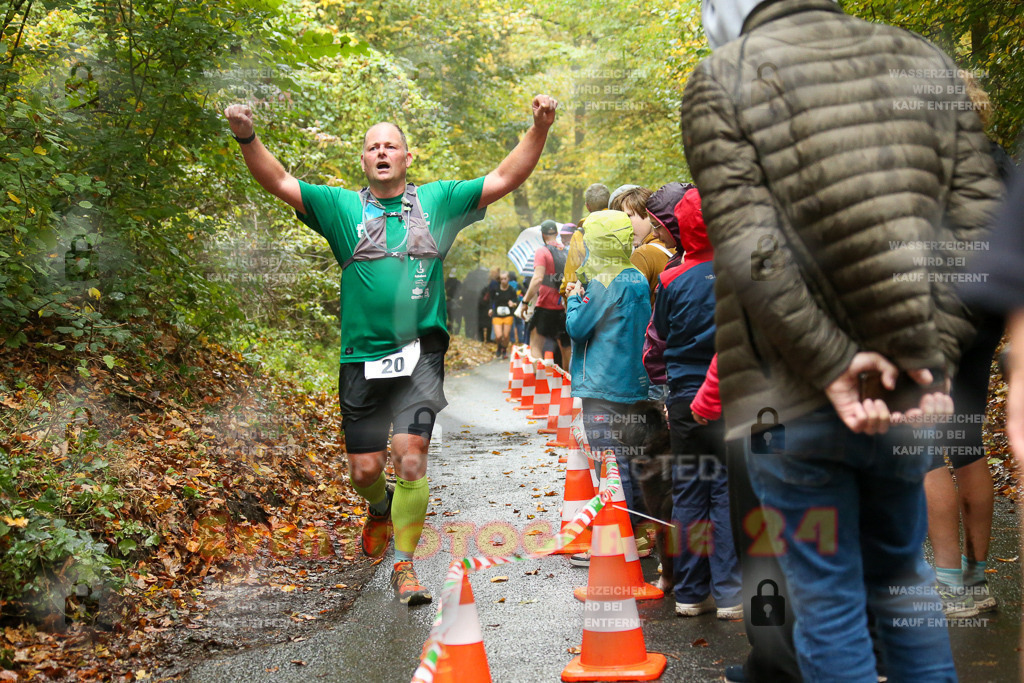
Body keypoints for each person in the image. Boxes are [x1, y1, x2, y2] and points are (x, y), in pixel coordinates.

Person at [682, 0, 1002, 680]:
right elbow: (980, 227)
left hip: (788, 394)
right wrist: (930, 356)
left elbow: (747, 241)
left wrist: (831, 362)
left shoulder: (724, 76)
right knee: (904, 581)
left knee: (826, 599)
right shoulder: (923, 60)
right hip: (905, 388)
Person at [223, 94, 558, 605]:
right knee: (364, 470)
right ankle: (378, 508)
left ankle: (405, 565)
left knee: (411, 458)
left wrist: (539, 127)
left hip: (420, 354)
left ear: (406, 157)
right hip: (361, 357)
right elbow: (280, 182)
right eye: (372, 147)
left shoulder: (439, 203)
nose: (382, 152)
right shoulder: (341, 208)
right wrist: (247, 136)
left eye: (391, 145)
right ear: (364, 160)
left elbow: (504, 177)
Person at [651, 186, 741, 619]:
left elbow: (661, 335)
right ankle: (729, 592)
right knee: (726, 490)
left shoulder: (670, 279)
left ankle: (689, 592)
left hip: (684, 397)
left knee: (688, 491)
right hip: (732, 397)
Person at [564, 210, 652, 564]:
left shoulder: (601, 281)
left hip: (602, 388)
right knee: (631, 462)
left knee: (611, 464)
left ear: (598, 242)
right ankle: (640, 537)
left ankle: (617, 543)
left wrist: (573, 297)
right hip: (633, 383)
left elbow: (578, 328)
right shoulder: (636, 277)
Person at [522, 220, 571, 366]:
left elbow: (537, 279)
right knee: (565, 347)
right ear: (556, 233)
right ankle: (567, 384)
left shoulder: (542, 251)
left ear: (543, 235)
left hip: (545, 306)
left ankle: (540, 381)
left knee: (536, 344)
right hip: (564, 306)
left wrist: (525, 301)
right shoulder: (567, 251)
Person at [561, 183, 611, 297]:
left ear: (587, 206)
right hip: (620, 293)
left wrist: (565, 293)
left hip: (592, 296)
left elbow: (571, 274)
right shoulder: (624, 225)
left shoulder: (580, 234)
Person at [488, 270, 520, 359]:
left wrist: (513, 304)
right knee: (498, 336)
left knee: (506, 335)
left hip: (508, 315)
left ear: (508, 279)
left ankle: (504, 349)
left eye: (505, 279)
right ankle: (499, 347)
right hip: (497, 315)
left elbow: (517, 301)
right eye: (501, 279)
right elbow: (491, 300)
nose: (503, 281)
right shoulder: (496, 289)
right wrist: (490, 309)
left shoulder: (512, 290)